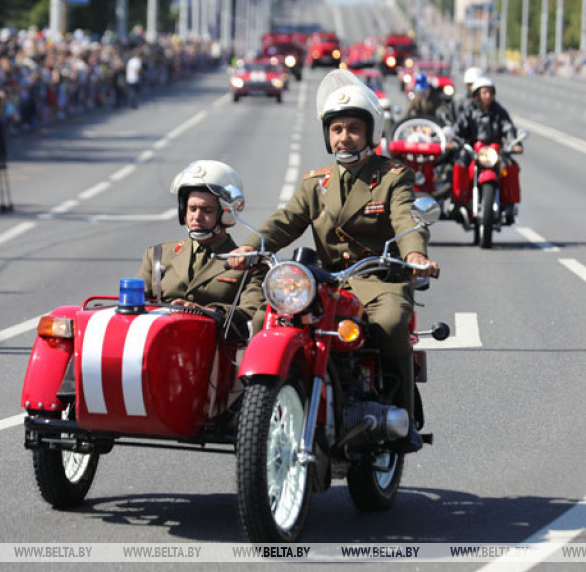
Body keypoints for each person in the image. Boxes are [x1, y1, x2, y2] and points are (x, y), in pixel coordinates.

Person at [229, 70, 440, 453]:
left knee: (391, 323)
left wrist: (414, 254)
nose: (344, 137)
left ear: (371, 132)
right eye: (337, 128)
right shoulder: (316, 182)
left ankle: (403, 413)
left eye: (354, 128)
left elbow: (406, 219)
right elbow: (285, 221)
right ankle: (258, 409)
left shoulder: (392, 176)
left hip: (378, 280)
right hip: (324, 282)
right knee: (265, 319)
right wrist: (250, 247)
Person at [135, 160, 265, 338]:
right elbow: (134, 305)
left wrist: (205, 311)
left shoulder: (250, 263)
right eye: (192, 208)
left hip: (215, 350)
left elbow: (251, 312)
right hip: (159, 346)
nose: (197, 217)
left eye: (207, 210)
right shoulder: (158, 255)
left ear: (226, 213)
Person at [450, 76, 523, 222]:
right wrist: (454, 141)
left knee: (511, 166)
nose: (488, 95)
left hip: (494, 151)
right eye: (484, 92)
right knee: (459, 163)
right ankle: (458, 201)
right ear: (477, 94)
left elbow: (508, 129)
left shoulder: (499, 112)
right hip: (473, 150)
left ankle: (509, 203)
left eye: (490, 92)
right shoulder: (469, 111)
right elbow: (458, 130)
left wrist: (514, 144)